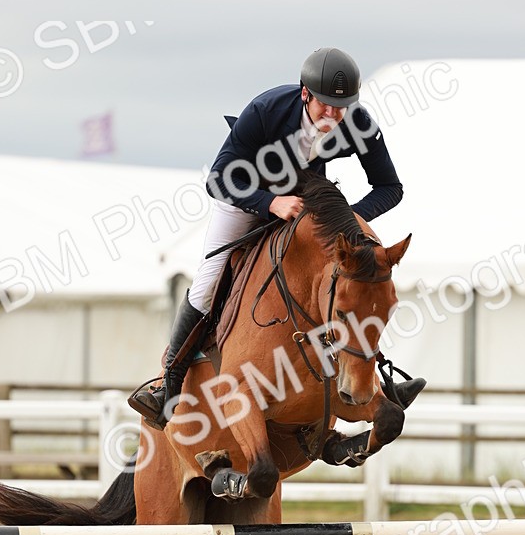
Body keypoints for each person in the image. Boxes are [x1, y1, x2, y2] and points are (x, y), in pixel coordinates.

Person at [129, 47, 425, 429]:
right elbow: (218, 180)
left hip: (302, 204)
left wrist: (342, 220)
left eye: (341, 107)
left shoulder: (358, 123)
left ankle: (378, 380)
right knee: (207, 282)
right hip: (244, 198)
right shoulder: (266, 110)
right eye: (324, 104)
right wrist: (270, 203)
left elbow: (389, 187)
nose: (332, 114)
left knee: (349, 287)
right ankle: (168, 385)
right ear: (305, 93)